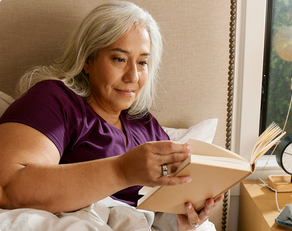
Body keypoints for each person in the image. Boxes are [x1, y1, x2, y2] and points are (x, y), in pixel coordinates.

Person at [0, 1, 223, 230]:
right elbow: (8, 186)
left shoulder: (144, 124)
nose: (133, 76)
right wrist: (122, 170)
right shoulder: (55, 100)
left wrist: (181, 219)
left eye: (142, 62)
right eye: (119, 59)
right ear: (88, 59)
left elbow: (157, 209)